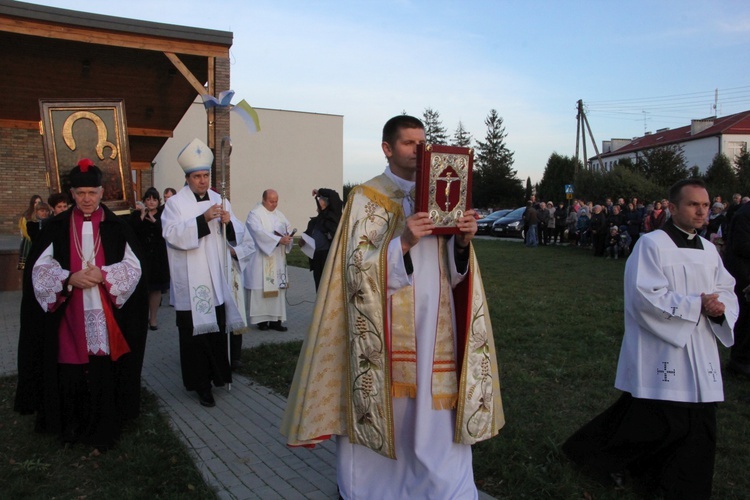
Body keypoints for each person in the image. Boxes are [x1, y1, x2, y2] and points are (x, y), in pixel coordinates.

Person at [281, 115, 504, 499]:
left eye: (423, 143)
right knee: (388, 413)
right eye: (408, 144)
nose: (419, 151)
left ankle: (442, 490)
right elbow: (352, 275)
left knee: (436, 420)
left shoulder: (443, 194)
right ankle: (373, 489)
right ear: (387, 148)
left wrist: (464, 242)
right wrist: (402, 242)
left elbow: (456, 272)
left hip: (436, 326)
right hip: (382, 332)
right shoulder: (366, 199)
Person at [563, 179, 738, 499]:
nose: (702, 211)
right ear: (672, 208)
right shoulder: (653, 244)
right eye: (693, 204)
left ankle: (683, 485)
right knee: (658, 421)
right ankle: (598, 456)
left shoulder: (710, 250)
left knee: (694, 422)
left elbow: (725, 288)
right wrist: (695, 305)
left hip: (700, 348)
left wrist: (719, 308)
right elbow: (644, 295)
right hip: (664, 348)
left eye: (705, 205)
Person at [14, 158, 147, 450]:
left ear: (102, 193)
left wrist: (105, 274)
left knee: (102, 369)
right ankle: (70, 426)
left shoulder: (116, 225)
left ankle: (104, 425)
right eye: (80, 193)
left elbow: (134, 266)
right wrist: (69, 278)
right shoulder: (56, 226)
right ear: (72, 194)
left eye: (92, 193)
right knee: (70, 368)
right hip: (69, 312)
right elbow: (39, 268)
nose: (87, 199)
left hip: (105, 311)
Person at [162, 138, 247, 407]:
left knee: (215, 331)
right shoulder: (176, 203)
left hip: (215, 277)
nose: (202, 181)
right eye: (197, 176)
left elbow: (238, 234)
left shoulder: (220, 199)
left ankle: (218, 377)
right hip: (191, 277)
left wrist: (228, 222)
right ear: (187, 178)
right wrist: (204, 219)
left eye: (206, 175)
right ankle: (200, 385)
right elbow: (172, 234)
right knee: (195, 337)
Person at [245, 189, 293, 331]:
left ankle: (276, 321)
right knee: (261, 290)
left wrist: (288, 236)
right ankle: (262, 321)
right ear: (264, 200)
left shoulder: (279, 215)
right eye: (271, 201)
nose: (274, 204)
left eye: (276, 201)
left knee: (277, 289)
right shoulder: (255, 214)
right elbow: (258, 233)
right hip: (261, 259)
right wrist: (278, 240)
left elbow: (287, 227)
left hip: (277, 259)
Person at [130, 187, 170, 331]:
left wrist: (155, 222)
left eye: (154, 199)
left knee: (156, 289)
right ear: (144, 200)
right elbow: (132, 232)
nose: (151, 202)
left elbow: (168, 232)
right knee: (142, 289)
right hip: (142, 257)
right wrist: (141, 215)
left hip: (158, 257)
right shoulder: (137, 214)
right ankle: (141, 318)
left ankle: (153, 318)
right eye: (148, 199)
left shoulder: (164, 214)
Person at [722, 200, 750, 378]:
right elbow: (741, 246)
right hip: (744, 277)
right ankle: (740, 362)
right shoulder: (744, 216)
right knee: (746, 322)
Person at [300, 187, 343, 289]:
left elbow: (334, 195)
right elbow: (307, 235)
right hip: (316, 257)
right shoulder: (313, 222)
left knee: (328, 287)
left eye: (322, 200)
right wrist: (302, 241)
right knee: (319, 286)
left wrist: (319, 192)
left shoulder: (333, 216)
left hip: (329, 256)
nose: (319, 202)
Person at [18, 194, 42, 270]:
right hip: (29, 242)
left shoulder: (44, 214)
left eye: (39, 202)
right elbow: (24, 231)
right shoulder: (26, 215)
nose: (37, 204)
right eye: (35, 202)